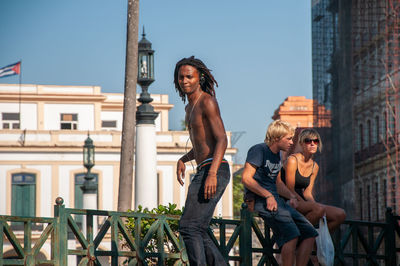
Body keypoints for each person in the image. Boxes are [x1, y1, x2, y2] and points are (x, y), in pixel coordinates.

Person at [174, 56, 230, 266]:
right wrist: (184, 158)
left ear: (200, 77)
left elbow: (221, 139)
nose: (185, 81)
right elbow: (201, 144)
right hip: (203, 168)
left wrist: (212, 174)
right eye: (181, 77)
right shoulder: (190, 107)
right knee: (196, 228)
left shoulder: (207, 101)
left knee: (189, 227)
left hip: (214, 170)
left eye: (189, 76)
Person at [242, 120, 318, 266]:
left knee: (310, 233)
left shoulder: (277, 155)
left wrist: (292, 196)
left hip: (278, 202)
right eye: (288, 138)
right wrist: (268, 195)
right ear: (277, 138)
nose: (291, 142)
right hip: (262, 202)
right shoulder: (259, 150)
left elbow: (277, 183)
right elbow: (246, 178)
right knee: (292, 235)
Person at [280, 128, 346, 232]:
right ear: (301, 143)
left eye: (315, 141)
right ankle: (298, 234)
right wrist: (312, 206)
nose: (312, 144)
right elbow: (290, 189)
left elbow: (307, 193)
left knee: (340, 214)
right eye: (308, 141)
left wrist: (313, 204)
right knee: (318, 209)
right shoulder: (293, 160)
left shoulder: (315, 166)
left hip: (301, 201)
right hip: (288, 199)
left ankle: (315, 239)